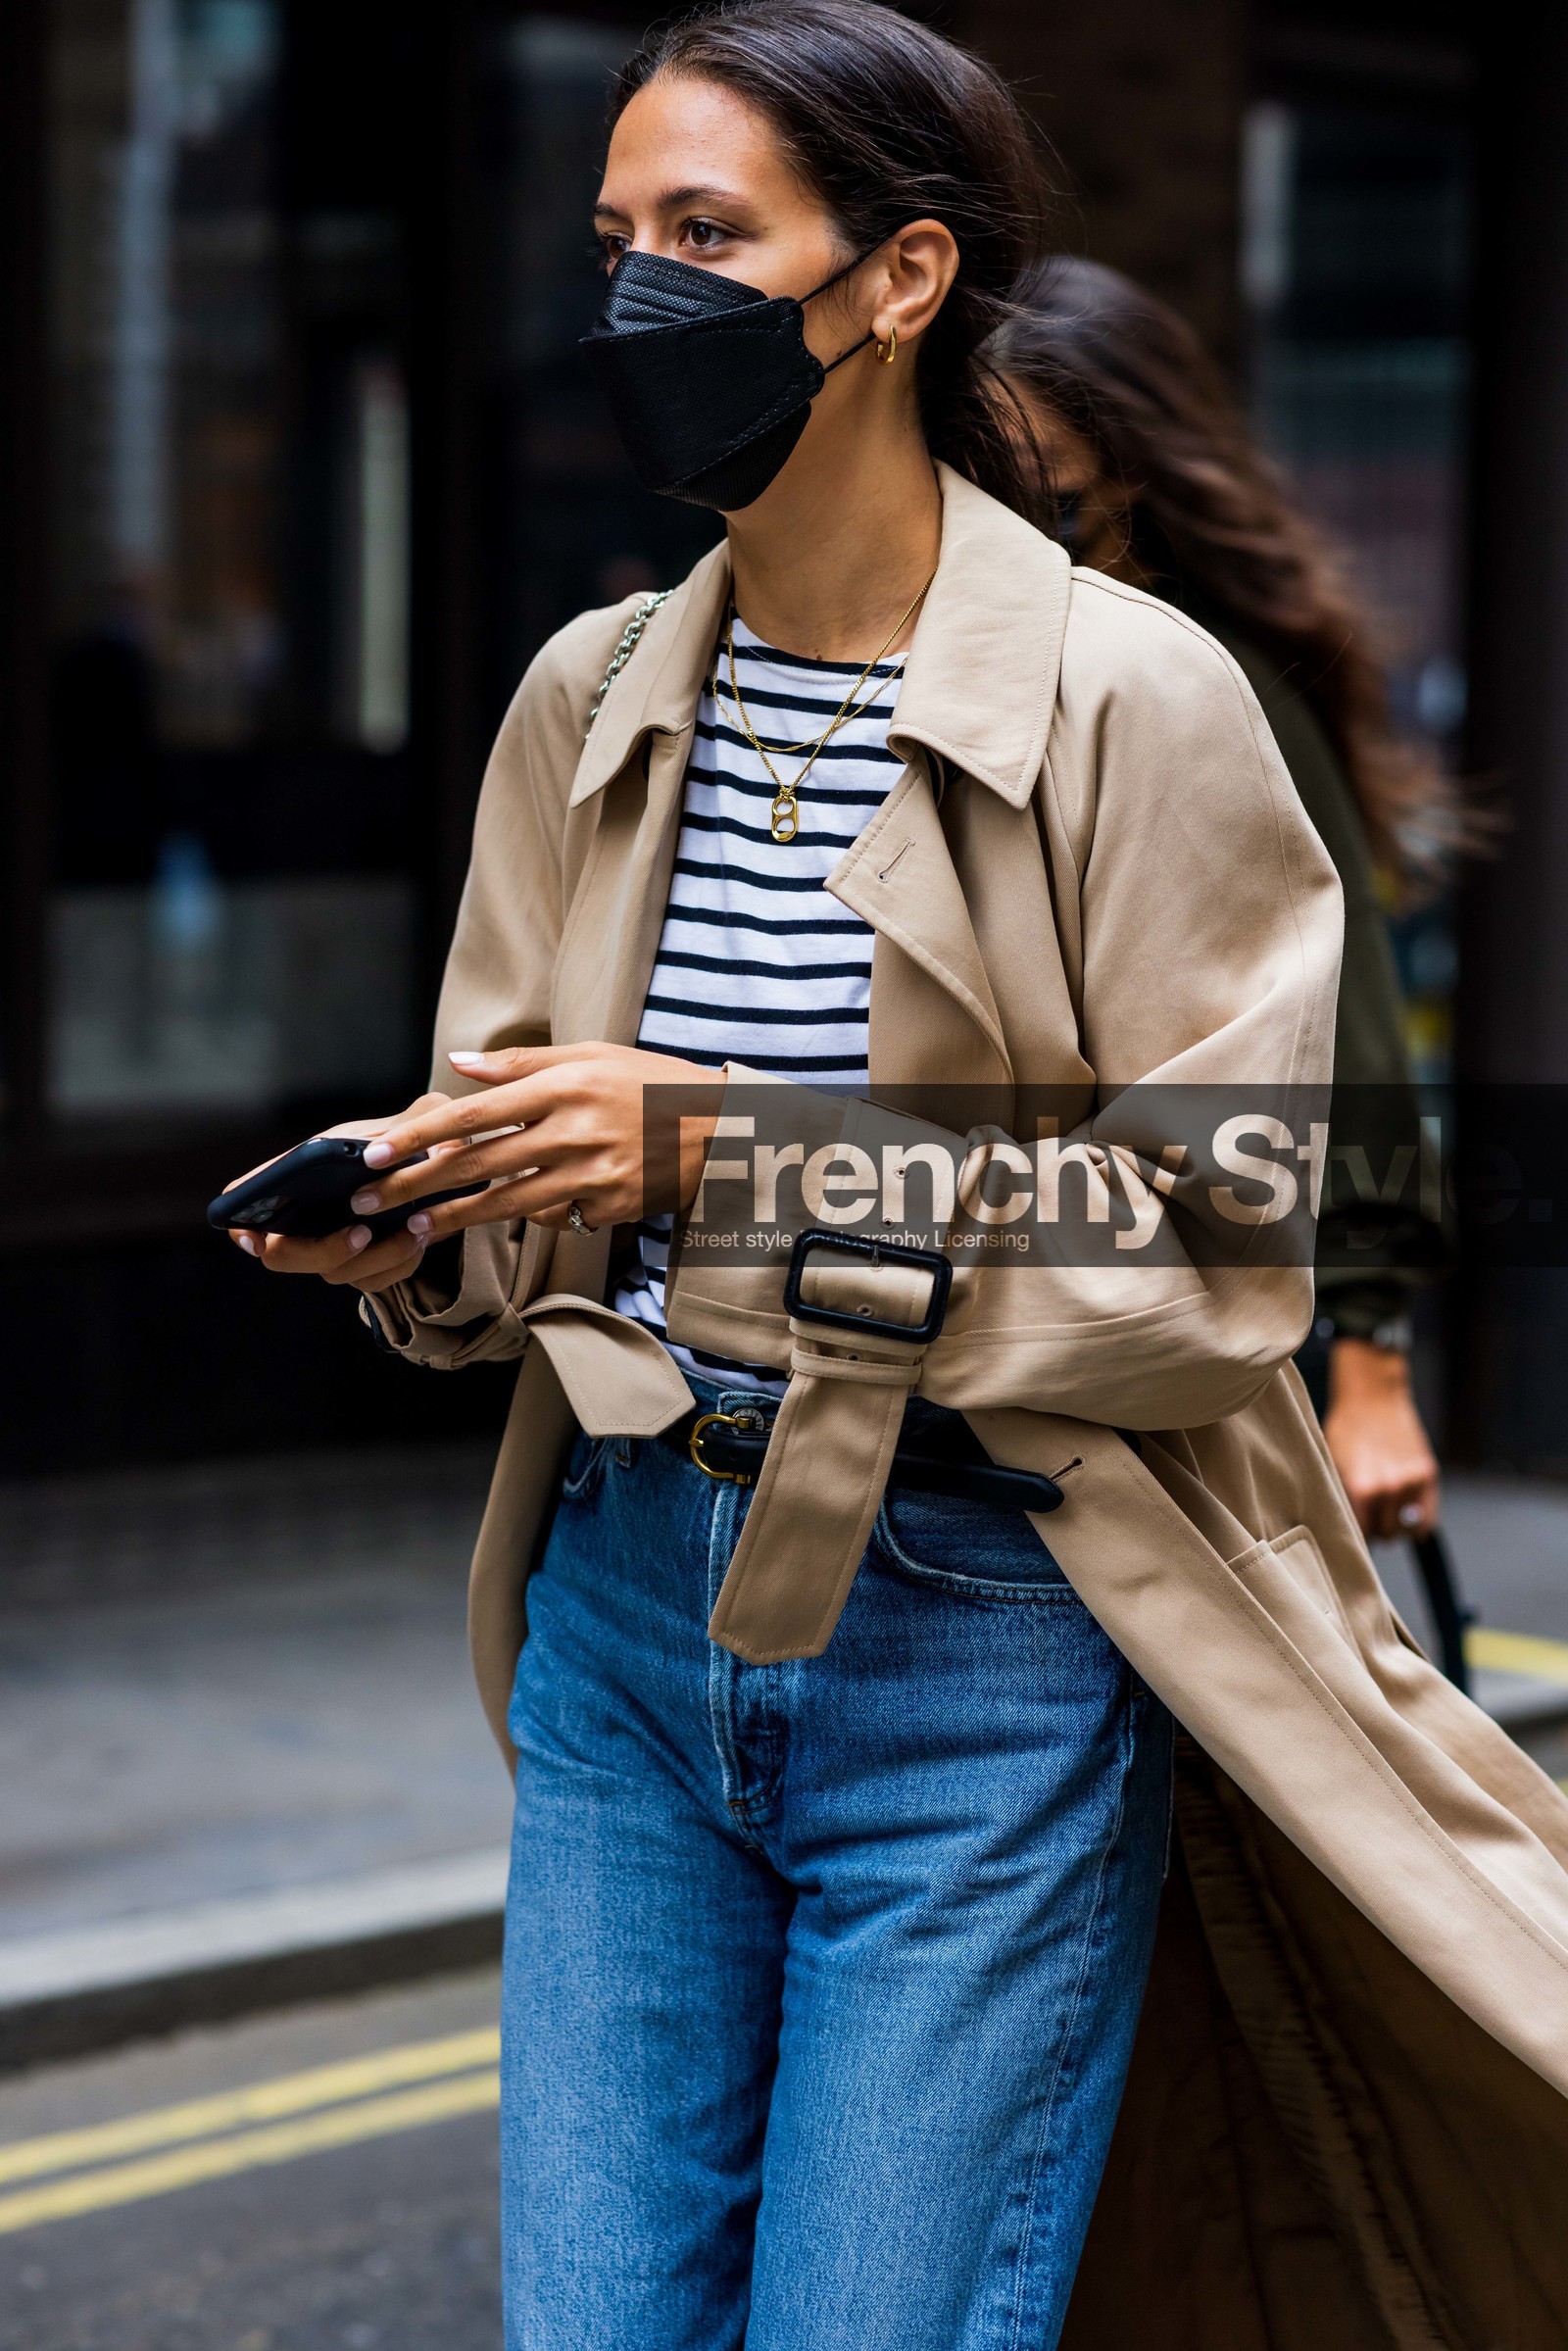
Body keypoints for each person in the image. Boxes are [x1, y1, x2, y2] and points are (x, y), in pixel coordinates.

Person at [230, 6, 1568, 2344]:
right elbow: (524, 1151)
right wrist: (424, 1229)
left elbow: (1218, 1228)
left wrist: (722, 1147)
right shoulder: (586, 694)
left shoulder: (1141, 705)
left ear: (898, 280)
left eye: (706, 239)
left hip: (980, 1626)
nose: (636, 294)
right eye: (615, 239)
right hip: (628, 1616)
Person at [988, 254, 1452, 1544]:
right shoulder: (980, 665)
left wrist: (1371, 1372)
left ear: (1130, 476)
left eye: (1044, 494)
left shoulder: (1210, 684)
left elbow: (1346, 1042)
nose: (1003, 527)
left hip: (1209, 1321)